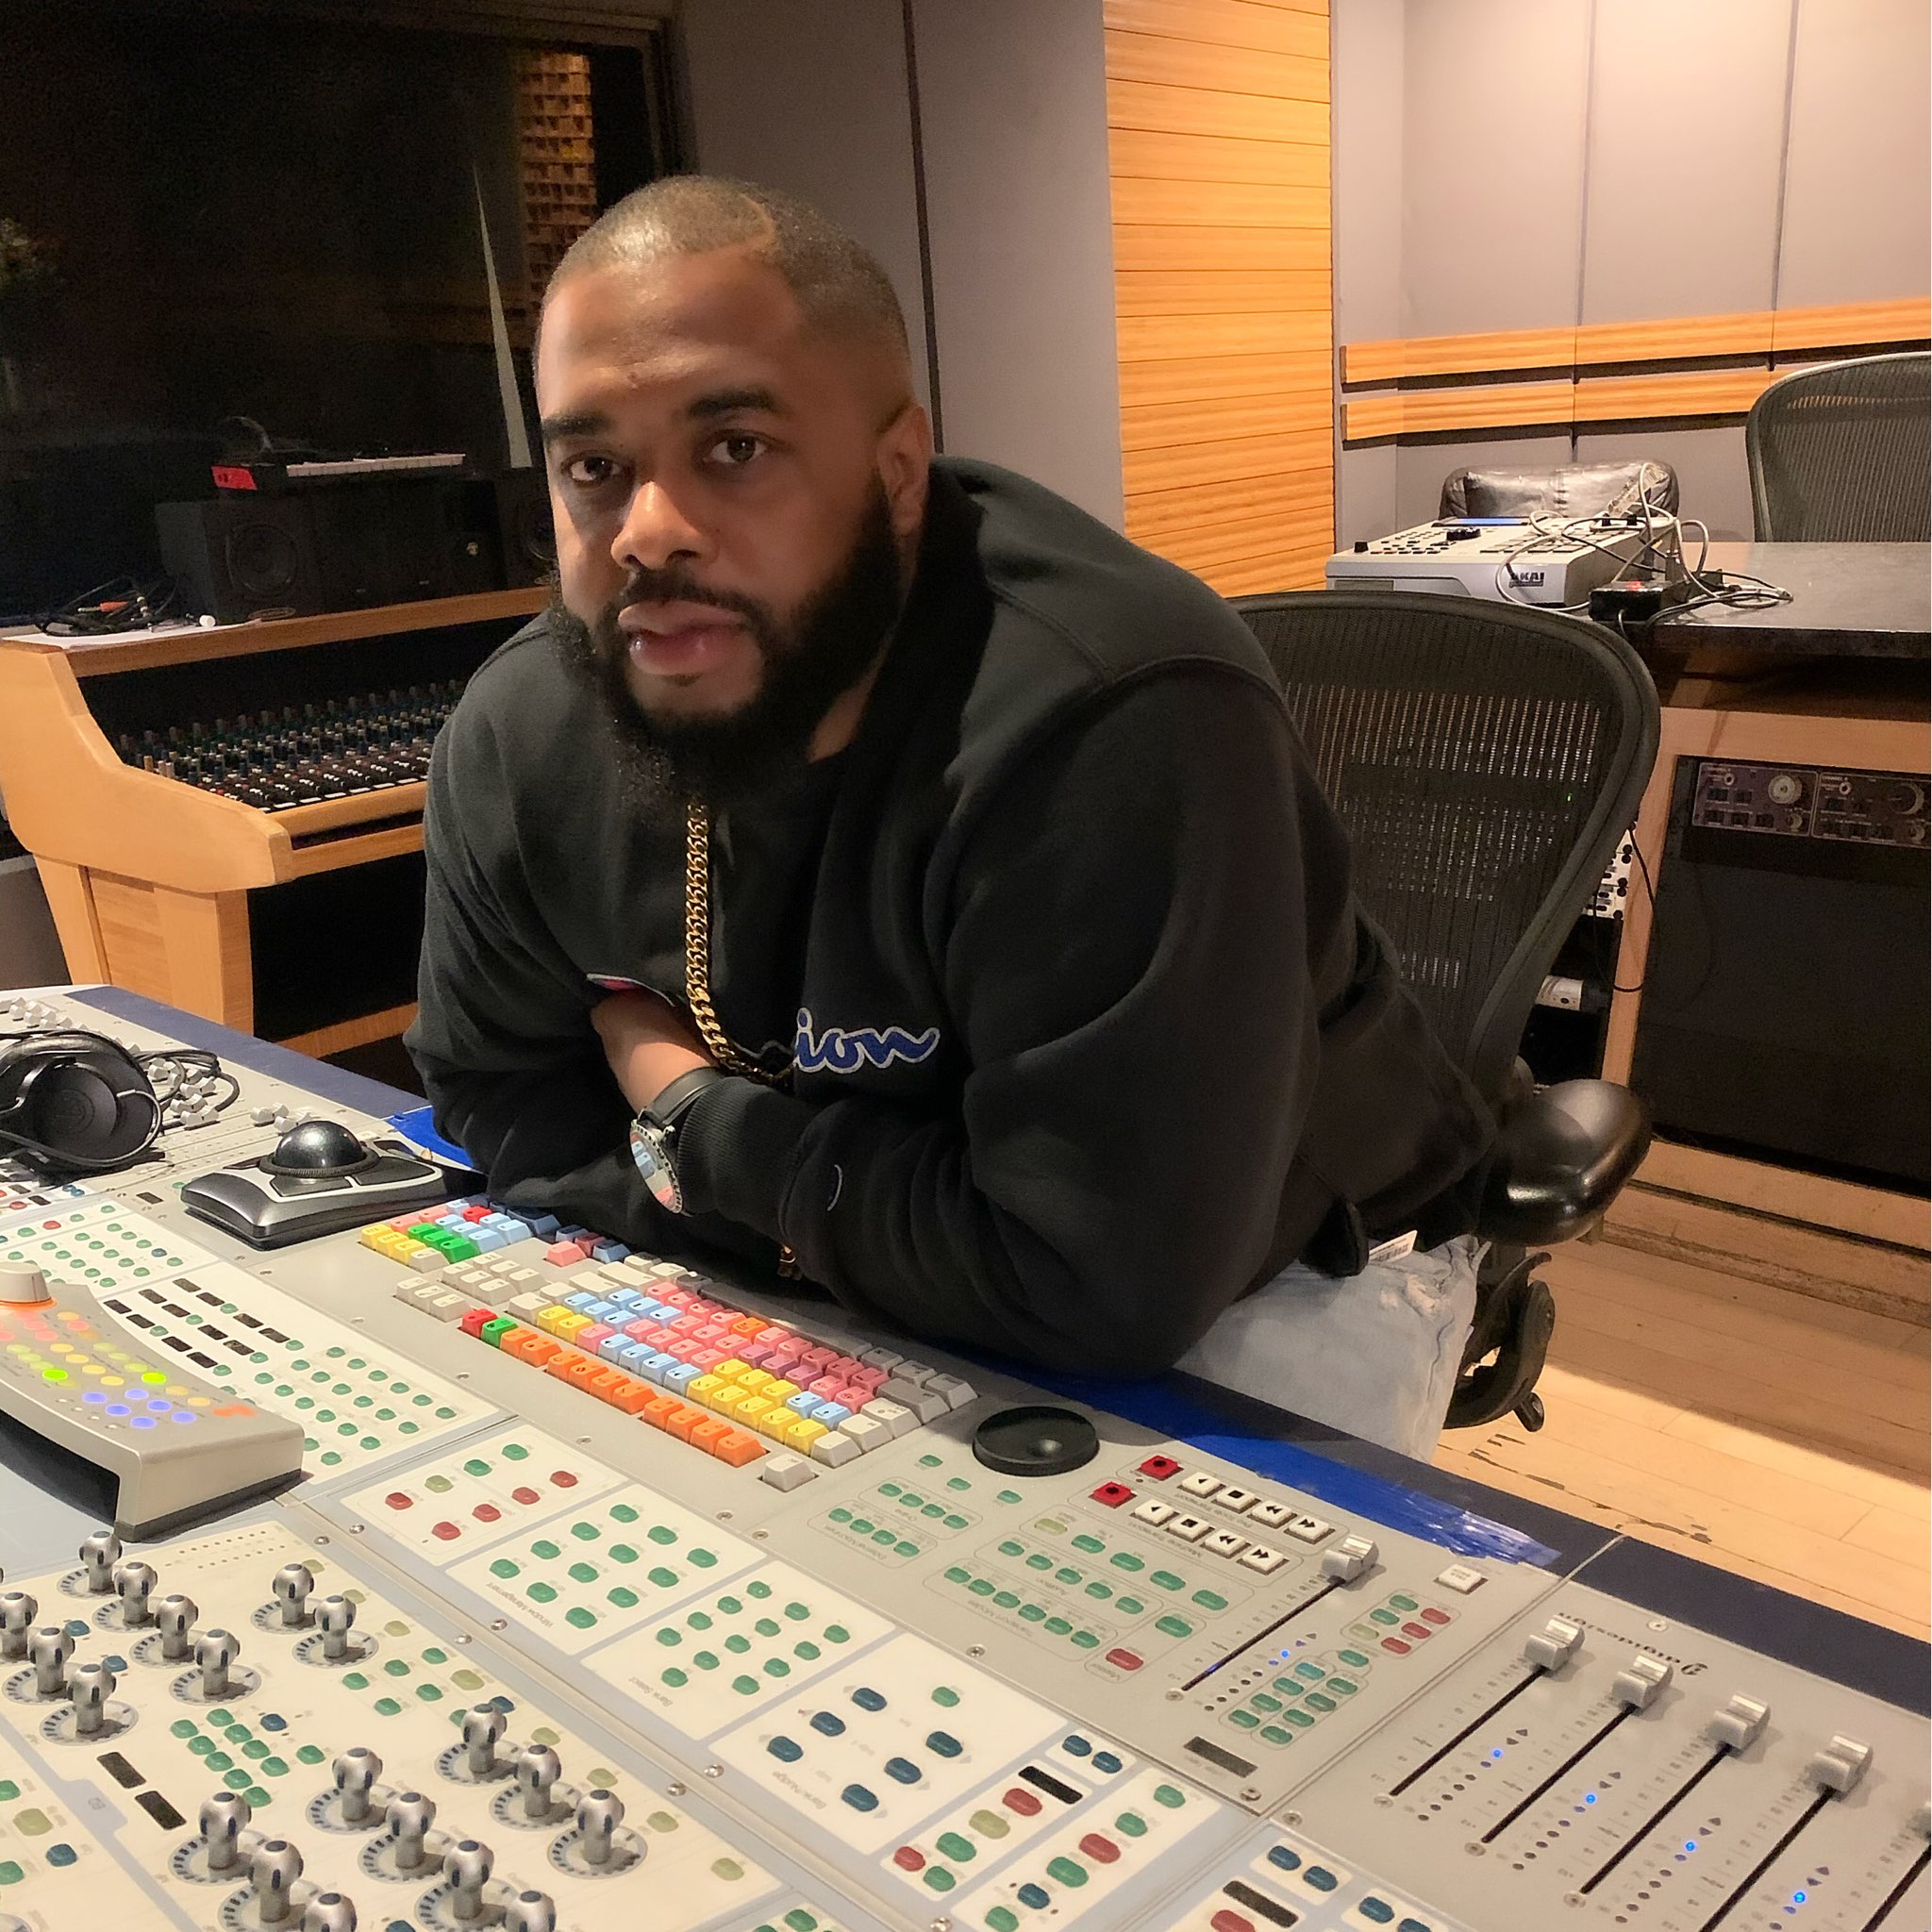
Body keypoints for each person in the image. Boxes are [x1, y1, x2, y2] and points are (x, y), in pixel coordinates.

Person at [408, 175, 1493, 1454]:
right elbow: (490, 1092)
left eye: (734, 449)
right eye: (595, 467)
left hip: (1276, 1276)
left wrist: (689, 1120)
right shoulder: (523, 729)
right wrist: (788, 1217)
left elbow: (1098, 1283)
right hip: (822, 1261)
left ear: (898, 474)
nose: (649, 533)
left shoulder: (1117, 715)